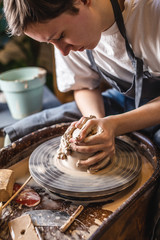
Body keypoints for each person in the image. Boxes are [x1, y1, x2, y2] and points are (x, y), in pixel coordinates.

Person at [3, 0, 160, 170]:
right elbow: (83, 86)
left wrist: (116, 125)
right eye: (51, 42)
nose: (62, 51)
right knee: (23, 133)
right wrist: (94, 125)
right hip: (124, 100)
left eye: (61, 36)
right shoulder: (68, 41)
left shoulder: (153, 13)